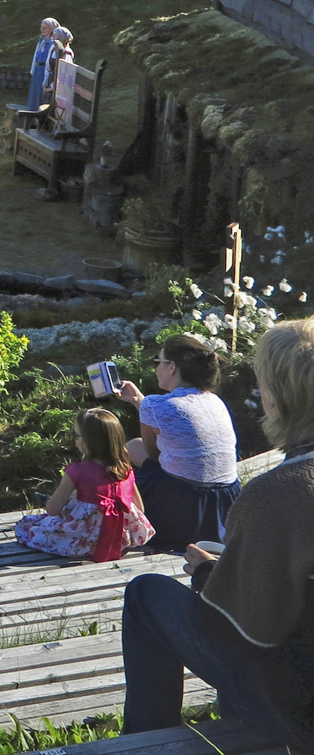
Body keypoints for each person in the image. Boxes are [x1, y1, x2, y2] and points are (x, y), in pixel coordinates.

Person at [120, 320, 314, 748]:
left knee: (146, 594)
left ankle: (143, 742)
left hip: (298, 715)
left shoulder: (278, 494)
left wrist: (209, 574)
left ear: (278, 398)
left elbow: (245, 630)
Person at [119, 334, 242, 552]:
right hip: (226, 500)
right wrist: (139, 400)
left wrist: (143, 403)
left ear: (172, 367)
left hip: (183, 503)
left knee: (129, 450)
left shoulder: (156, 404)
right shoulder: (214, 400)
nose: (156, 368)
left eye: (159, 362)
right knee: (136, 446)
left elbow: (154, 455)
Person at [14, 408, 153, 561]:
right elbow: (140, 509)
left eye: (76, 435)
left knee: (27, 525)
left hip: (81, 543)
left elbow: (53, 509)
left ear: (86, 441)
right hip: (120, 540)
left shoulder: (77, 471)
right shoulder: (126, 470)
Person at [27, 17, 59, 110]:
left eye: (45, 27)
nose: (43, 29)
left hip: (44, 71)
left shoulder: (53, 43)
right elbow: (35, 57)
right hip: (37, 71)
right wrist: (32, 70)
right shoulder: (41, 41)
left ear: (52, 29)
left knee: (42, 96)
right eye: (42, 27)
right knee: (34, 95)